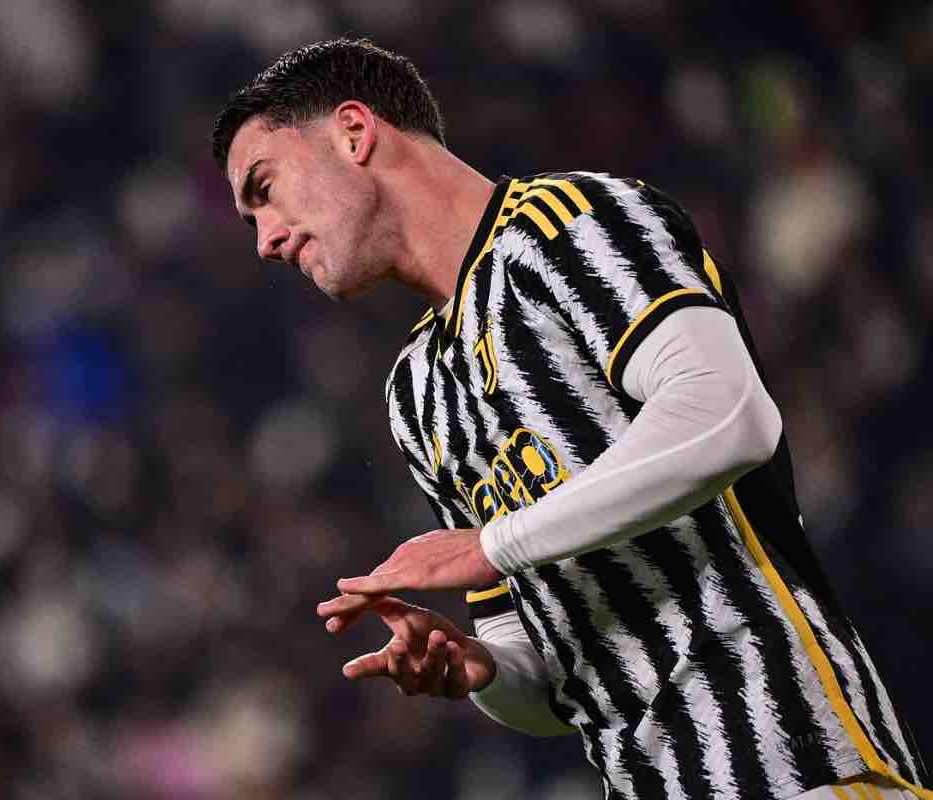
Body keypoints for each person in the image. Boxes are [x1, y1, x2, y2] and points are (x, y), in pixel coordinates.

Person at [211, 38, 931, 800]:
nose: (265, 240)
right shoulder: (417, 392)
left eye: (265, 187)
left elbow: (728, 412)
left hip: (800, 763)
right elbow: (552, 676)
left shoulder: (574, 225)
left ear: (354, 132)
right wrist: (479, 669)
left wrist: (493, 544)